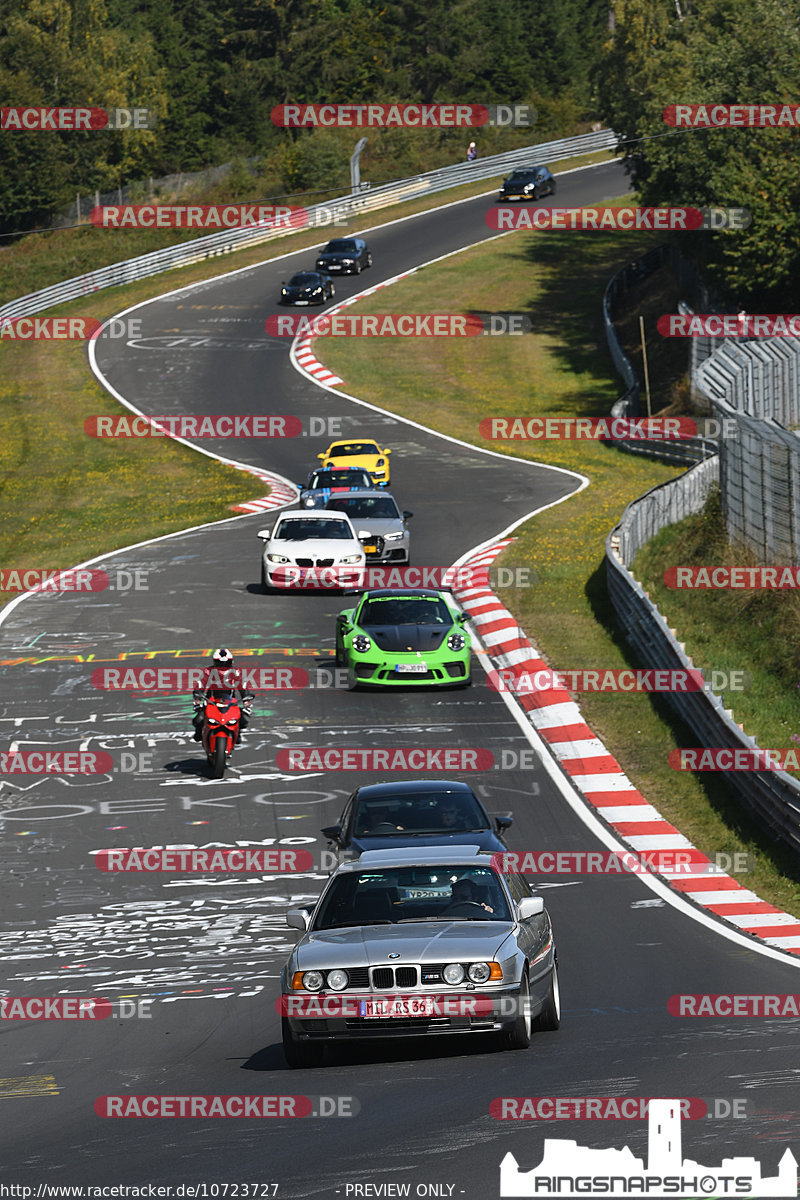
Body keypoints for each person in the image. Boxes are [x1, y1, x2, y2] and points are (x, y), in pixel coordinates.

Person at [192, 648, 253, 743]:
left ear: (231, 662)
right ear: (214, 662)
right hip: (211, 701)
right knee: (198, 719)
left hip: (231, 702)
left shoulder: (236, 672)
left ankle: (237, 732)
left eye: (226, 664)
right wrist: (198, 700)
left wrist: (247, 702)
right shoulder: (208, 671)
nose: (223, 667)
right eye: (220, 664)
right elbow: (200, 685)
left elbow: (243, 687)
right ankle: (199, 733)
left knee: (243, 720)